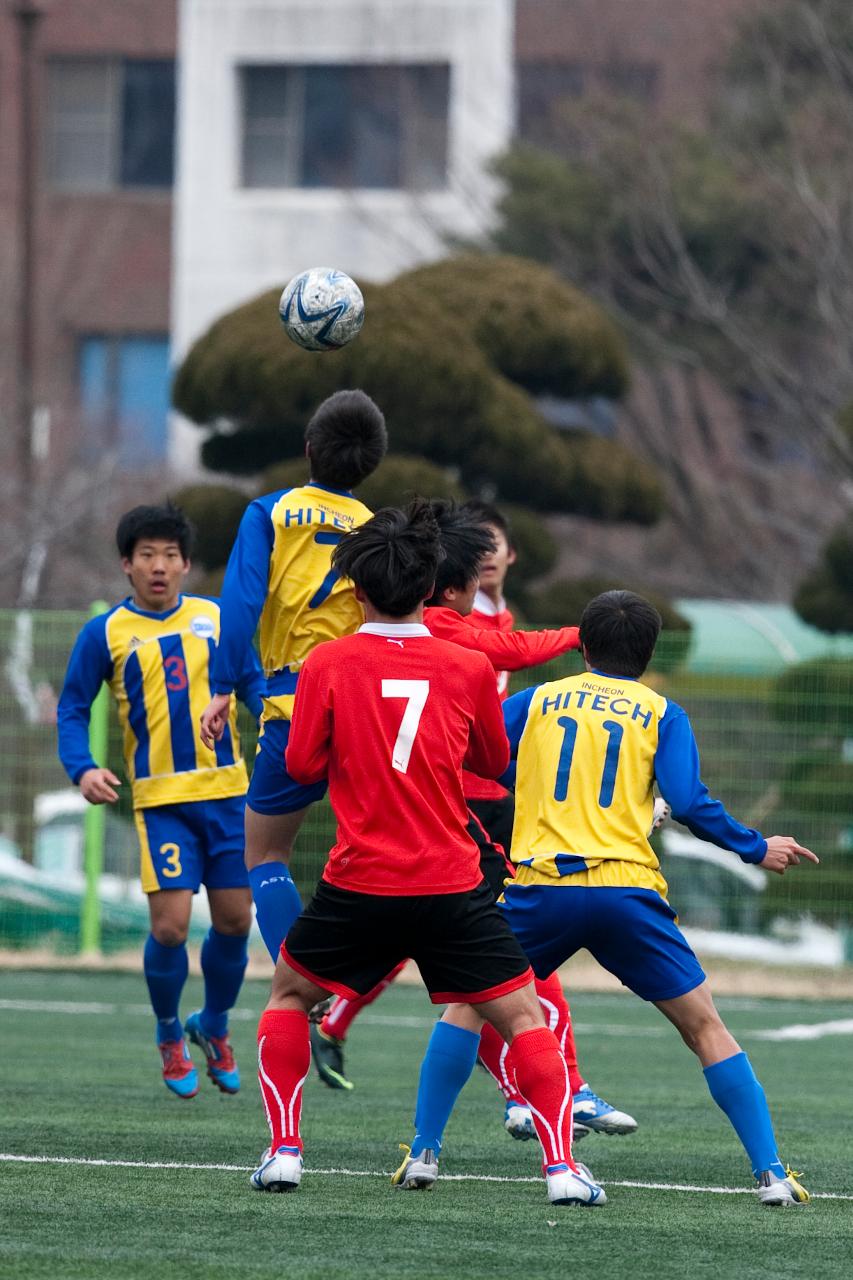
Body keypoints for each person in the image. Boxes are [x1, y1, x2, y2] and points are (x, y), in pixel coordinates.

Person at [249, 500, 605, 1208]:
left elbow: (300, 762)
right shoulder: (467, 662)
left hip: (359, 880)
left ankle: (285, 1153)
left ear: (356, 591)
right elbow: (490, 758)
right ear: (433, 587)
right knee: (525, 1018)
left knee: (289, 996)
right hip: (450, 881)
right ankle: (561, 1168)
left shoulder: (326, 661)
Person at [311, 502, 636, 1147]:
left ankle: (502, 1094)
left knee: (460, 962)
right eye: (475, 549)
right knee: (510, 952)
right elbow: (498, 664)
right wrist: (586, 634)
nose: (489, 554)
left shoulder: (473, 616)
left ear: (511, 555)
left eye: (497, 543)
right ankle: (554, 1090)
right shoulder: (444, 628)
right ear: (444, 577)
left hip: (470, 805)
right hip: (460, 808)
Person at [493, 589, 818, 1206]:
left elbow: (480, 758)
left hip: (541, 889)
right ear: (649, 653)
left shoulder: (533, 700)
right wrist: (755, 847)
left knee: (466, 1009)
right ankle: (771, 1174)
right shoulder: (661, 711)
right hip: (627, 891)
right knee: (706, 1029)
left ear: (582, 646)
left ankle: (424, 1153)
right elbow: (690, 803)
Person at [57, 504, 265, 1098]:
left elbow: (250, 684)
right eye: (147, 555)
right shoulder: (105, 633)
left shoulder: (216, 618)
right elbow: (72, 708)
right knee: (171, 929)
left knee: (234, 920)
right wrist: (83, 769)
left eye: (170, 555)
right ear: (127, 564)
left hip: (228, 797)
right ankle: (170, 1033)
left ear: (186, 564)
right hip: (162, 803)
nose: (159, 566)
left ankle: (216, 1026)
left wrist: (284, 726)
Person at [199, 390, 388, 963]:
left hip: (294, 706)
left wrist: (223, 687)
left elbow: (241, 604)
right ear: (371, 462)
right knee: (380, 855)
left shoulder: (270, 513)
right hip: (367, 709)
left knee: (265, 855)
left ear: (308, 448)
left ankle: (298, 981)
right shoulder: (375, 528)